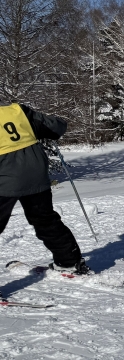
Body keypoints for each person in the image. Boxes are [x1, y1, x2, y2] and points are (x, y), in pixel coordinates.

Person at [0, 101, 89, 274]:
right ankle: (69, 262)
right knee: (45, 220)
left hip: (4, 176)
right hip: (35, 172)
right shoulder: (17, 111)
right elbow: (57, 127)